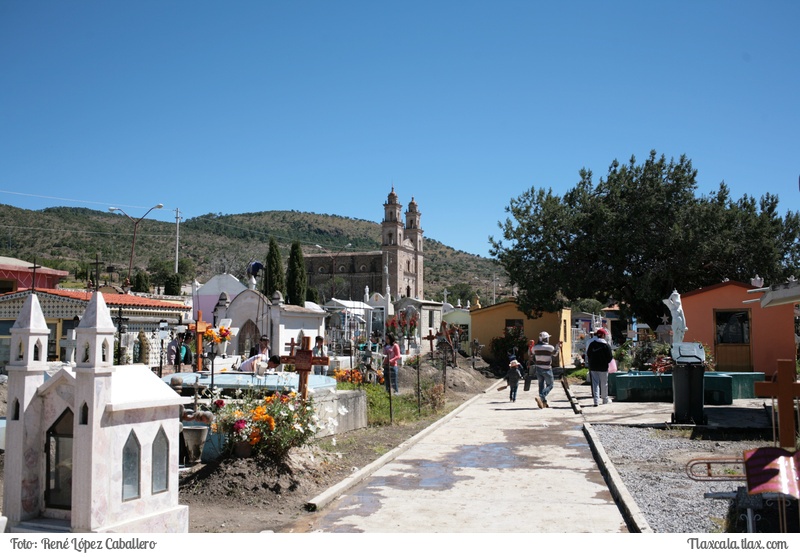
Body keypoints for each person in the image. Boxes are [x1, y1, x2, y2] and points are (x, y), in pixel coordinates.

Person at [530, 331, 561, 408]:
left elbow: (532, 354)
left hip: (538, 368)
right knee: (550, 385)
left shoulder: (535, 347)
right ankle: (541, 396)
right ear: (546, 339)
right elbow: (555, 354)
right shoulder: (550, 347)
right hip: (547, 369)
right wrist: (558, 346)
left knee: (541, 385)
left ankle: (543, 402)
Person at [586, 328, 614, 406]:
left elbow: (588, 354)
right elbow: (610, 357)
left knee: (595, 384)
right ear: (603, 335)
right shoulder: (606, 345)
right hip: (603, 368)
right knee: (604, 383)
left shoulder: (592, 344)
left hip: (593, 367)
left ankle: (596, 401)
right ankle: (605, 399)